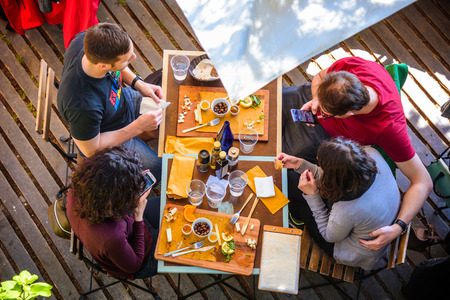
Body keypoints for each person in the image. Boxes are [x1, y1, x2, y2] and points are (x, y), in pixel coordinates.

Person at [282, 56, 432, 250]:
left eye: (326, 114)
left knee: (284, 164)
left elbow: (423, 182)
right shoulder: (350, 68)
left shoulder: (390, 129)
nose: (319, 114)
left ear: (349, 114)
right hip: (312, 97)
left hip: (327, 140)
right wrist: (317, 99)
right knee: (267, 101)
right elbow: (319, 77)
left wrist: (399, 227)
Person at [57, 22, 163, 181]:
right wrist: (139, 126)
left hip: (122, 102)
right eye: (127, 59)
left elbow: (118, 65)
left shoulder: (89, 41)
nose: (134, 58)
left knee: (168, 107)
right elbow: (91, 150)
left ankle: (144, 135)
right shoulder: (83, 106)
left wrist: (139, 84)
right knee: (157, 168)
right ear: (103, 66)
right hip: (108, 134)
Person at [277, 138, 400, 269]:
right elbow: (334, 176)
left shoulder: (346, 209)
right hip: (376, 217)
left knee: (296, 194)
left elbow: (328, 235)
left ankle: (297, 219)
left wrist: (312, 195)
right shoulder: (371, 154)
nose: (317, 158)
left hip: (349, 250)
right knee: (291, 179)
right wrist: (299, 164)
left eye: (321, 162)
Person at [66, 146, 160, 279]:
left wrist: (132, 175)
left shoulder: (78, 189)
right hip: (144, 257)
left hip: (131, 223)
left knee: (174, 205)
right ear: (116, 200)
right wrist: (139, 217)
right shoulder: (111, 238)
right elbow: (136, 264)